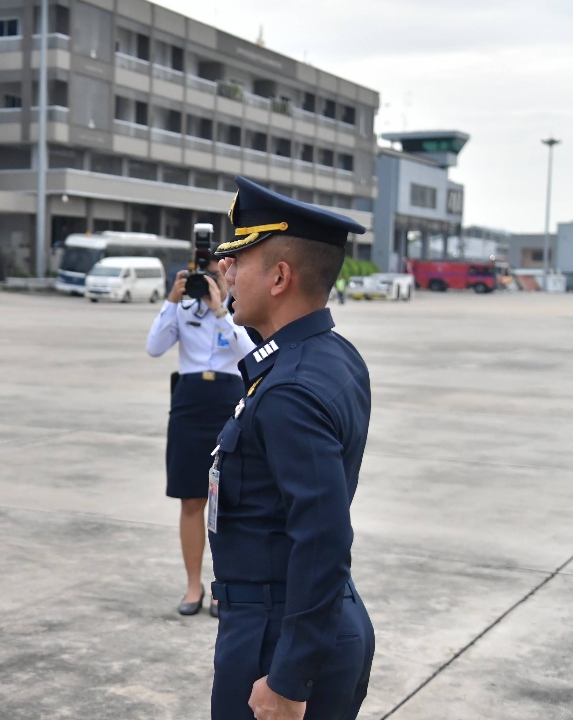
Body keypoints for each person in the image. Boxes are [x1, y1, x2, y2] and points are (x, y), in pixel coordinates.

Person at [207, 176, 374, 720]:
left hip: (277, 637)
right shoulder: (329, 356)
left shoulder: (289, 391)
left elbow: (323, 537)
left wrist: (288, 679)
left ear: (280, 276)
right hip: (309, 618)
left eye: (240, 259)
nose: (226, 270)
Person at [146, 268, 255, 617]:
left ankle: (223, 586)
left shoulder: (240, 313)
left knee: (227, 501)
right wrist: (172, 301)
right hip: (189, 403)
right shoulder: (182, 310)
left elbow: (249, 354)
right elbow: (154, 347)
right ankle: (193, 585)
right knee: (191, 499)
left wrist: (222, 309)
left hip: (228, 399)